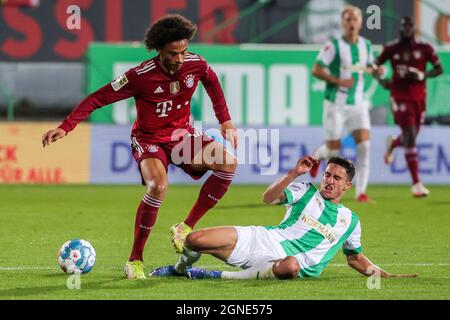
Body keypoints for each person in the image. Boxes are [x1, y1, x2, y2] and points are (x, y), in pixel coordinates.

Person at [41, 14, 238, 279]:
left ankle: (185, 227)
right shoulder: (140, 76)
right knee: (157, 186)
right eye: (173, 53)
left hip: (181, 135)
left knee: (228, 162)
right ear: (159, 50)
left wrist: (225, 120)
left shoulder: (196, 64)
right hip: (149, 139)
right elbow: (98, 97)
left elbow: (213, 84)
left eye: (183, 51)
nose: (180, 59)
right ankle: (134, 260)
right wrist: (66, 126)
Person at [149, 156, 417, 280]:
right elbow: (268, 198)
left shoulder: (351, 221)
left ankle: (211, 275)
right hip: (265, 239)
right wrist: (293, 173)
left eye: (337, 178)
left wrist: (387, 275)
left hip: (292, 263)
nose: (329, 181)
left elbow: (355, 257)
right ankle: (179, 271)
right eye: (327, 175)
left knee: (289, 266)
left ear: (347, 186)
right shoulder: (305, 191)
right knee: (195, 239)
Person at [310, 5, 381, 203]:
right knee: (333, 150)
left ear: (360, 22)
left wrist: (377, 70)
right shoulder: (334, 45)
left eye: (355, 19)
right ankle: (317, 156)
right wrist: (338, 80)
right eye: (348, 19)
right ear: (343, 22)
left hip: (358, 103)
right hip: (336, 103)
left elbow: (370, 66)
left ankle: (361, 193)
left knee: (365, 146)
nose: (351, 23)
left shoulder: (366, 45)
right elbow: (316, 69)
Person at [375, 17, 443, 198]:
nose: (406, 30)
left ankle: (393, 144)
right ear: (400, 28)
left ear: (414, 29)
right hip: (399, 96)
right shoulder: (391, 48)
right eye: (404, 26)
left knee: (410, 136)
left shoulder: (425, 48)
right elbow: (375, 66)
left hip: (419, 98)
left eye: (409, 27)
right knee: (411, 135)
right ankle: (416, 184)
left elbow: (439, 69)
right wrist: (382, 80)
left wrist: (423, 74)